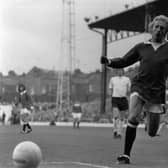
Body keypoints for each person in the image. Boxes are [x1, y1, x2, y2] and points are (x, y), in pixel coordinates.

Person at [100, 15, 168, 164]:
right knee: (132, 118)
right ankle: (126, 155)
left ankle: (147, 116)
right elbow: (124, 61)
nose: (158, 30)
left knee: (151, 132)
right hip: (140, 86)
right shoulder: (141, 47)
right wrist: (109, 61)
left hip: (157, 92)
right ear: (151, 28)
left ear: (166, 31)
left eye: (162, 28)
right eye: (156, 27)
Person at [108, 69, 131, 138]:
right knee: (116, 116)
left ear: (123, 71)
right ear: (117, 71)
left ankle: (119, 133)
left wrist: (129, 95)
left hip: (123, 99)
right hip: (115, 98)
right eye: (118, 70)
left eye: (121, 70)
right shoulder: (113, 79)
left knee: (122, 118)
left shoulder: (127, 79)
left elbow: (129, 89)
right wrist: (110, 96)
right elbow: (110, 88)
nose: (120, 72)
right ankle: (115, 130)